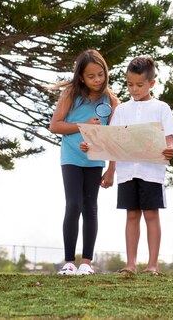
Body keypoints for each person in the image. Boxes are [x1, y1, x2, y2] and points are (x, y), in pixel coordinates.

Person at [84, 55, 173, 275]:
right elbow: (113, 141)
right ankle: (131, 264)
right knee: (131, 214)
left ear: (152, 83)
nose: (134, 89)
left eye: (139, 85)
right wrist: (110, 169)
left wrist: (170, 147)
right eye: (130, 84)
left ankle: (153, 265)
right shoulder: (122, 109)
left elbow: (170, 136)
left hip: (152, 171)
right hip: (127, 172)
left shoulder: (161, 108)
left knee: (151, 214)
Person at [49, 49, 118, 276]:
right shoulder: (70, 94)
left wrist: (111, 170)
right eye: (91, 76)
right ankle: (69, 262)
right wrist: (83, 125)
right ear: (81, 77)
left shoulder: (111, 100)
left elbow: (115, 137)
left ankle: (86, 263)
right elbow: (55, 126)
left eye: (100, 74)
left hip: (95, 160)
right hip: (71, 158)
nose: (97, 80)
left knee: (91, 208)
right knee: (74, 204)